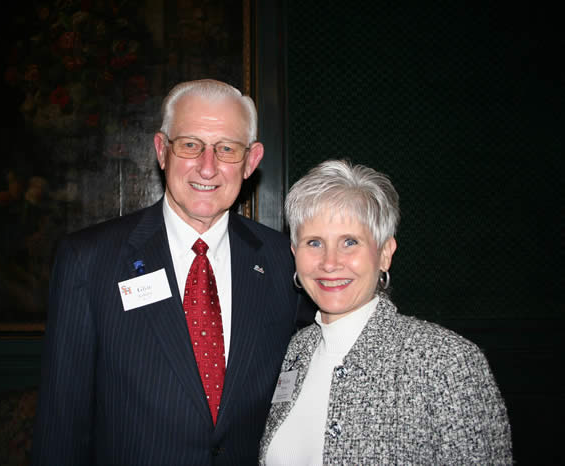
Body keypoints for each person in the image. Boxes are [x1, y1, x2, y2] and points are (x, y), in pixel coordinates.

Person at [31, 79, 306, 465]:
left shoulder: (285, 261)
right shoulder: (89, 261)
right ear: (162, 151)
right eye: (190, 145)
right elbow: (61, 427)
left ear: (251, 160)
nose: (207, 167)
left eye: (226, 149)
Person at [259, 159, 512, 465]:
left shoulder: (447, 362)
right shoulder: (297, 351)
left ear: (385, 253)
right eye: (314, 243)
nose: (329, 263)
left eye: (349, 242)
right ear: (294, 253)